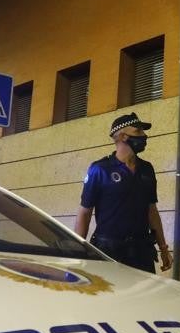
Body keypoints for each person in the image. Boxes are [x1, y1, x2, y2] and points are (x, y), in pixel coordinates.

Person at [74, 112, 173, 274]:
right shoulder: (100, 169)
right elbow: (85, 212)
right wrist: (77, 251)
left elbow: (151, 211)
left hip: (141, 252)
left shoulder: (147, 169)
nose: (144, 136)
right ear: (122, 136)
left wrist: (163, 248)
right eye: (138, 132)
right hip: (109, 251)